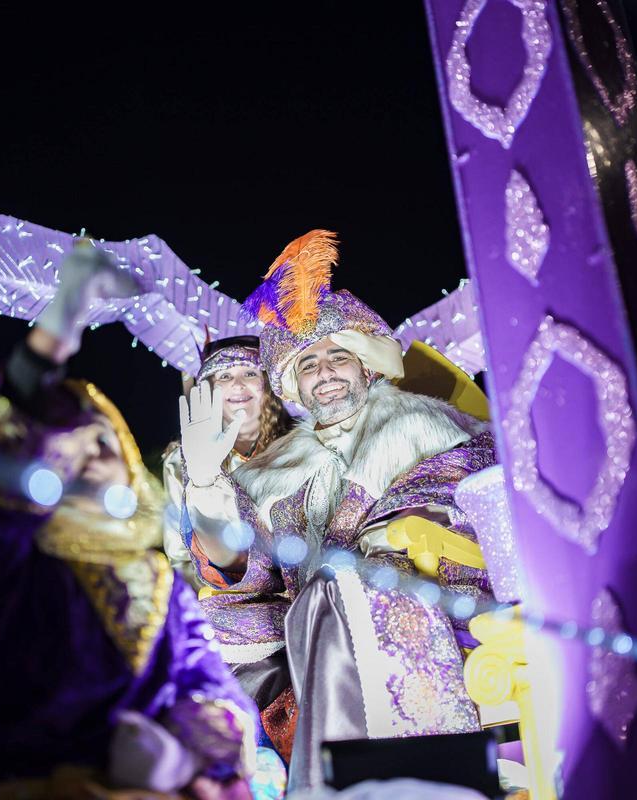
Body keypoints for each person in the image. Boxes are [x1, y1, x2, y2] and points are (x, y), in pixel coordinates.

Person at [0, 241, 258, 798]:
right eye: (72, 447)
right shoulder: (8, 561)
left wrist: (190, 737)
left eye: (104, 438)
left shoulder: (158, 581)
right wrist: (59, 327)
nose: (95, 453)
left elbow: (208, 682)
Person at [177, 230, 497, 789]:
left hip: (429, 600)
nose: (324, 372)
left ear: (367, 367)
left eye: (338, 357)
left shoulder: (425, 426)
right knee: (191, 628)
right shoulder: (275, 470)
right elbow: (247, 569)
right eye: (308, 365)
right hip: (311, 612)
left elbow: (446, 497)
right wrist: (206, 483)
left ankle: (356, 784)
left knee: (336, 587)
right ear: (294, 387)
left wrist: (366, 554)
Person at [161, 335, 293, 586]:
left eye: (249, 373)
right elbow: (180, 558)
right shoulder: (181, 461)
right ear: (209, 388)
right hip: (223, 608)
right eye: (224, 376)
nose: (238, 385)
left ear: (266, 382)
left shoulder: (303, 445)